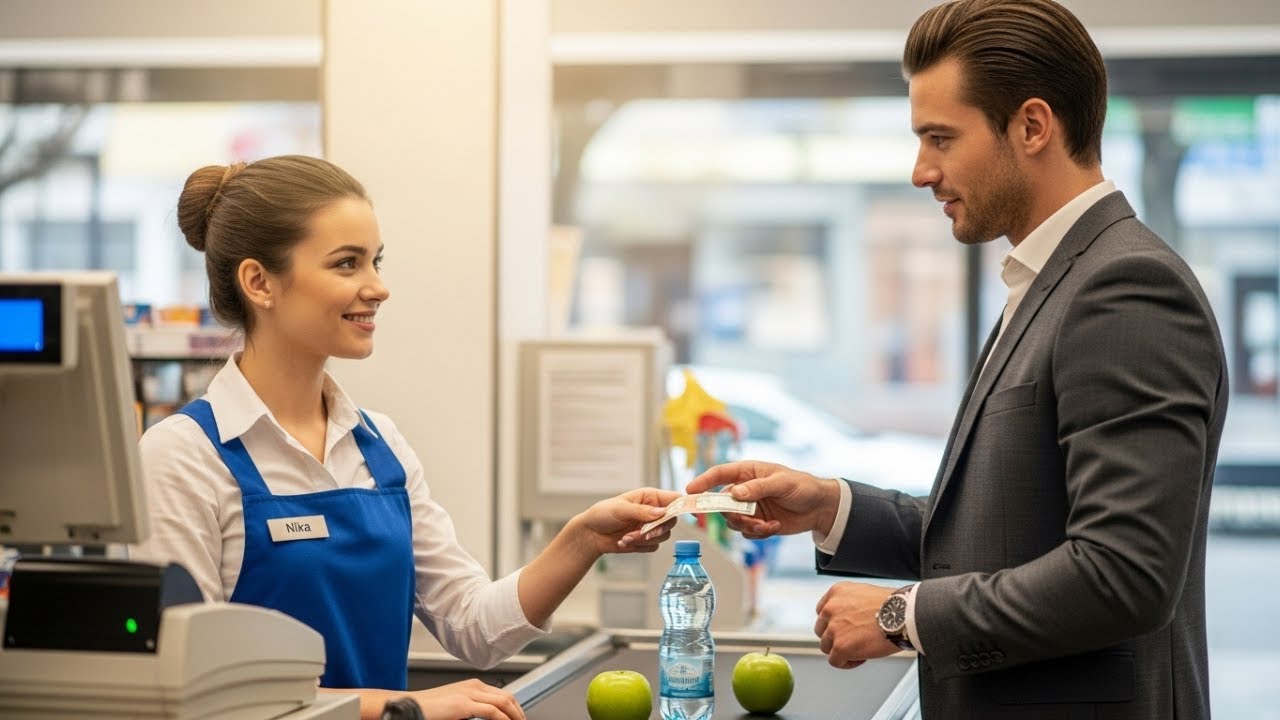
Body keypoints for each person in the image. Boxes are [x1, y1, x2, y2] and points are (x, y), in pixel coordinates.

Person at [686, 1, 1228, 718]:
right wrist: (830, 506)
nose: (920, 171)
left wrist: (899, 617)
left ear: (1032, 126)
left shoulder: (1125, 289)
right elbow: (1000, 532)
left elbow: (1122, 574)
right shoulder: (1053, 280)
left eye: (940, 138)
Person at [131, 155, 681, 720]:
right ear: (259, 282)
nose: (378, 287)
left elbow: (474, 627)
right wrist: (403, 707)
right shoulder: (183, 457)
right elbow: (187, 695)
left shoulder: (379, 445)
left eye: (376, 261)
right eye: (347, 264)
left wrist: (583, 539)